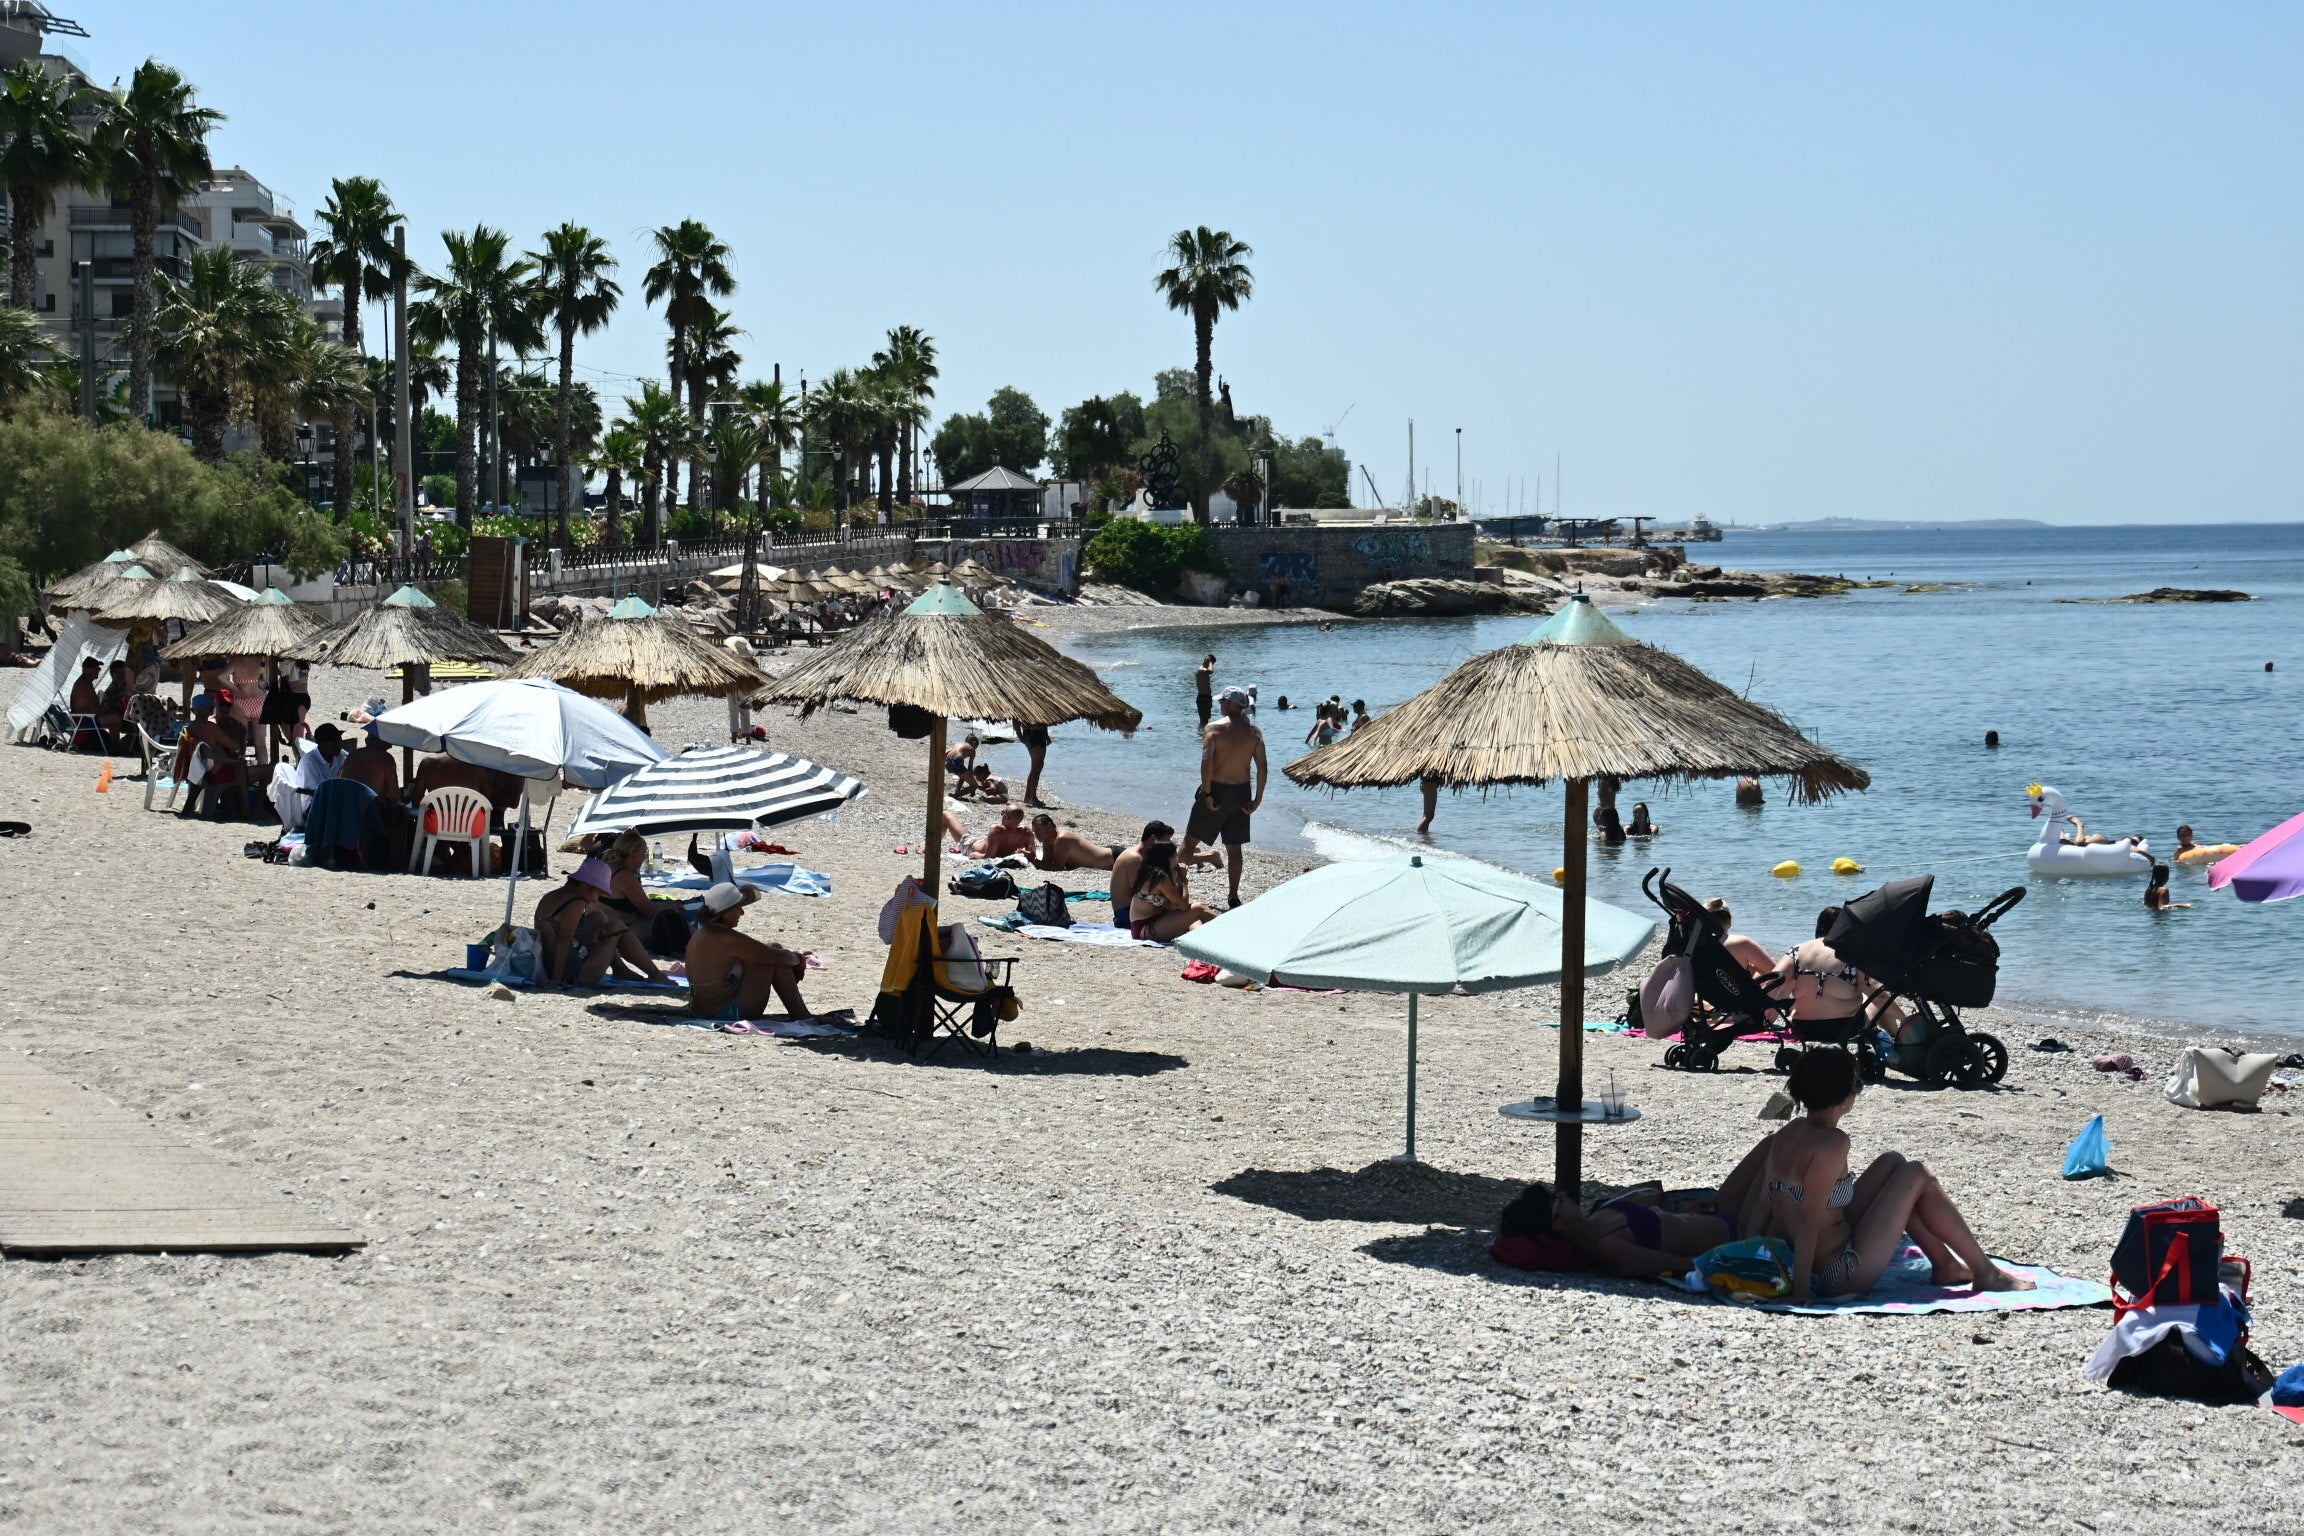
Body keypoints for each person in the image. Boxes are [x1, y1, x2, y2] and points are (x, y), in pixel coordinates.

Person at [1745, 1050, 2032, 1302]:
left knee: (1892, 1162)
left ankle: (1946, 1265)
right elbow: (1808, 1219)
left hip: (1807, 1258)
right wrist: (1801, 1292)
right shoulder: (1832, 1143)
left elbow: (1761, 1206)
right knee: (1917, 1173)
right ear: (1841, 1097)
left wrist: (1749, 1264)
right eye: (1857, 1084)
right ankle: (1987, 1273)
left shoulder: (1788, 1132)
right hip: (1836, 1274)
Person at [1180, 686, 1267, 909]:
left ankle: (1178, 887)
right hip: (1241, 793)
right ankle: (1233, 896)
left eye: (1222, 702)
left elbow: (1206, 762)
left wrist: (1207, 793)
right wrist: (1257, 799)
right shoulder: (1254, 732)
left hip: (1216, 790)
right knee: (1234, 849)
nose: (1220, 705)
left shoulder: (1214, 728)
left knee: (1190, 842)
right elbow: (1262, 767)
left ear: (1229, 703)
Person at [686, 881, 815, 1020]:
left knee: (767, 954)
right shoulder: (726, 938)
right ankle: (801, 1014)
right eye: (738, 908)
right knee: (775, 953)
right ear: (727, 913)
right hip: (725, 1013)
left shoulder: (701, 933)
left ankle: (800, 1013)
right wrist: (799, 960)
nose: (742, 913)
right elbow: (781, 957)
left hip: (700, 1010)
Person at [600, 832, 699, 957]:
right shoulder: (625, 877)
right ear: (634, 855)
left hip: (600, 931)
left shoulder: (605, 866)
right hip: (616, 937)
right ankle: (700, 946)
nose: (644, 858)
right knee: (670, 919)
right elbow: (649, 910)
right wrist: (671, 906)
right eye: (644, 854)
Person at [532, 862, 627, 988]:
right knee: (618, 927)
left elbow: (558, 935)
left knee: (598, 917)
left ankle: (622, 970)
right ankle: (647, 972)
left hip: (549, 965)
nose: (595, 900)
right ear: (584, 885)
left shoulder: (553, 895)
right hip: (572, 973)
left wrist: (591, 937)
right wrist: (556, 979)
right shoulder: (577, 902)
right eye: (598, 893)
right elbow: (564, 940)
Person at [1127, 839, 1216, 941]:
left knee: (1194, 916)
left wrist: (1176, 877)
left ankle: (1203, 940)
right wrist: (1183, 879)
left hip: (1149, 923)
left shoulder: (1149, 872)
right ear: (1168, 859)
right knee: (1199, 908)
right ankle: (1227, 928)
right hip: (1145, 928)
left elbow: (1172, 905)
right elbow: (1183, 906)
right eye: (1175, 856)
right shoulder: (1159, 878)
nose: (1177, 859)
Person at [1109, 819, 1176, 917]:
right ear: (1153, 839)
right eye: (1166, 843)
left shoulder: (1143, 855)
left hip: (1134, 912)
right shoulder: (1135, 859)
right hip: (1126, 915)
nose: (1168, 848)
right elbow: (1145, 894)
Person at [1703, 899, 1777, 979]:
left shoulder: (1696, 945)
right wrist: (1756, 970)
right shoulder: (1741, 943)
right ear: (1729, 922)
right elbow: (1777, 975)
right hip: (1738, 986)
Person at [1028, 814, 1119, 874]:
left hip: (1114, 858)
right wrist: (1032, 857)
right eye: (1034, 831)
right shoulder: (1047, 840)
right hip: (1107, 855)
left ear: (1050, 826)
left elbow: (1057, 867)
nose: (1036, 834)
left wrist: (1033, 860)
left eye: (1039, 829)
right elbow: (1046, 863)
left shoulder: (1062, 838)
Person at [337, 725, 401, 802]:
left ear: (367, 740)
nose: (390, 746)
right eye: (388, 742)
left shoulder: (353, 754)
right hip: (370, 807)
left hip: (346, 804)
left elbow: (339, 777)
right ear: (382, 741)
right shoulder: (386, 759)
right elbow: (394, 796)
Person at [970, 806, 1036, 860]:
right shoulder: (1027, 833)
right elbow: (1032, 855)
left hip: (970, 846)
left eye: (1003, 814)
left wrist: (976, 855)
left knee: (966, 836)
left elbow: (988, 857)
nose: (1002, 816)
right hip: (981, 841)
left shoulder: (997, 831)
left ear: (1007, 818)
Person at [1018, 720, 1050, 807]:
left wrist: (1046, 735)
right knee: (1036, 768)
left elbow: (1044, 720)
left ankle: (1028, 797)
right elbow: (1016, 723)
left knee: (1038, 767)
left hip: (1041, 735)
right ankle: (1033, 798)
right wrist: (1023, 740)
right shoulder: (1023, 712)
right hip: (1032, 735)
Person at [1194, 653, 1216, 729]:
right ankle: (1202, 734)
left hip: (1206, 698)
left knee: (1206, 721)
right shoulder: (1201, 670)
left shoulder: (1204, 671)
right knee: (1204, 722)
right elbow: (1211, 671)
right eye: (1212, 663)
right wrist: (1210, 662)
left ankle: (1202, 734)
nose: (1212, 665)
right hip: (1203, 699)